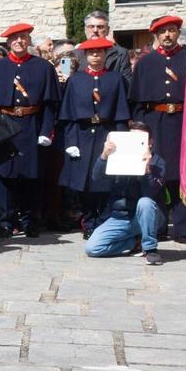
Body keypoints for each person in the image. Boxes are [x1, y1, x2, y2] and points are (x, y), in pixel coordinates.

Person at [0, 23, 59, 237]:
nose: (19, 41)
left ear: (29, 40)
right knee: (5, 176)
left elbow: (50, 105)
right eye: (15, 38)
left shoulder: (44, 67)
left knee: (31, 177)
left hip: (31, 124)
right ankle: (6, 221)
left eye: (23, 37)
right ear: (8, 42)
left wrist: (46, 131)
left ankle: (30, 220)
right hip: (4, 126)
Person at [129, 15, 186, 244]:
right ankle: (157, 228)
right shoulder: (145, 63)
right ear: (155, 36)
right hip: (154, 121)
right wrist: (140, 132)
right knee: (155, 176)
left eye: (172, 30)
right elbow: (136, 102)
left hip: (182, 122)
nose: (167, 35)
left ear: (178, 33)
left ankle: (182, 230)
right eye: (163, 32)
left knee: (182, 177)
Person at [58, 38, 130, 237]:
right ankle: (89, 222)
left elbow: (121, 114)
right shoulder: (76, 80)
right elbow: (69, 116)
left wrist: (122, 140)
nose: (95, 56)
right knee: (85, 183)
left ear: (105, 55)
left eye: (99, 52)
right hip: (82, 134)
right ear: (85, 56)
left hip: (106, 134)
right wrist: (71, 142)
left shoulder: (115, 79)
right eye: (91, 53)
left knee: (105, 182)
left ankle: (104, 220)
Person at [83, 122, 165, 265]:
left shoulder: (158, 162)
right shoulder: (118, 157)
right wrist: (104, 155)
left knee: (145, 202)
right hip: (120, 217)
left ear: (150, 142)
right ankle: (133, 243)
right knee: (92, 248)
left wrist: (146, 169)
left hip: (147, 216)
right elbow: (96, 178)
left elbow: (151, 192)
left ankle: (150, 249)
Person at [82, 11, 131, 78]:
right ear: (85, 30)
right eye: (91, 26)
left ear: (107, 30)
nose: (95, 30)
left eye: (100, 27)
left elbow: (126, 82)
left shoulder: (121, 54)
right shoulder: (75, 54)